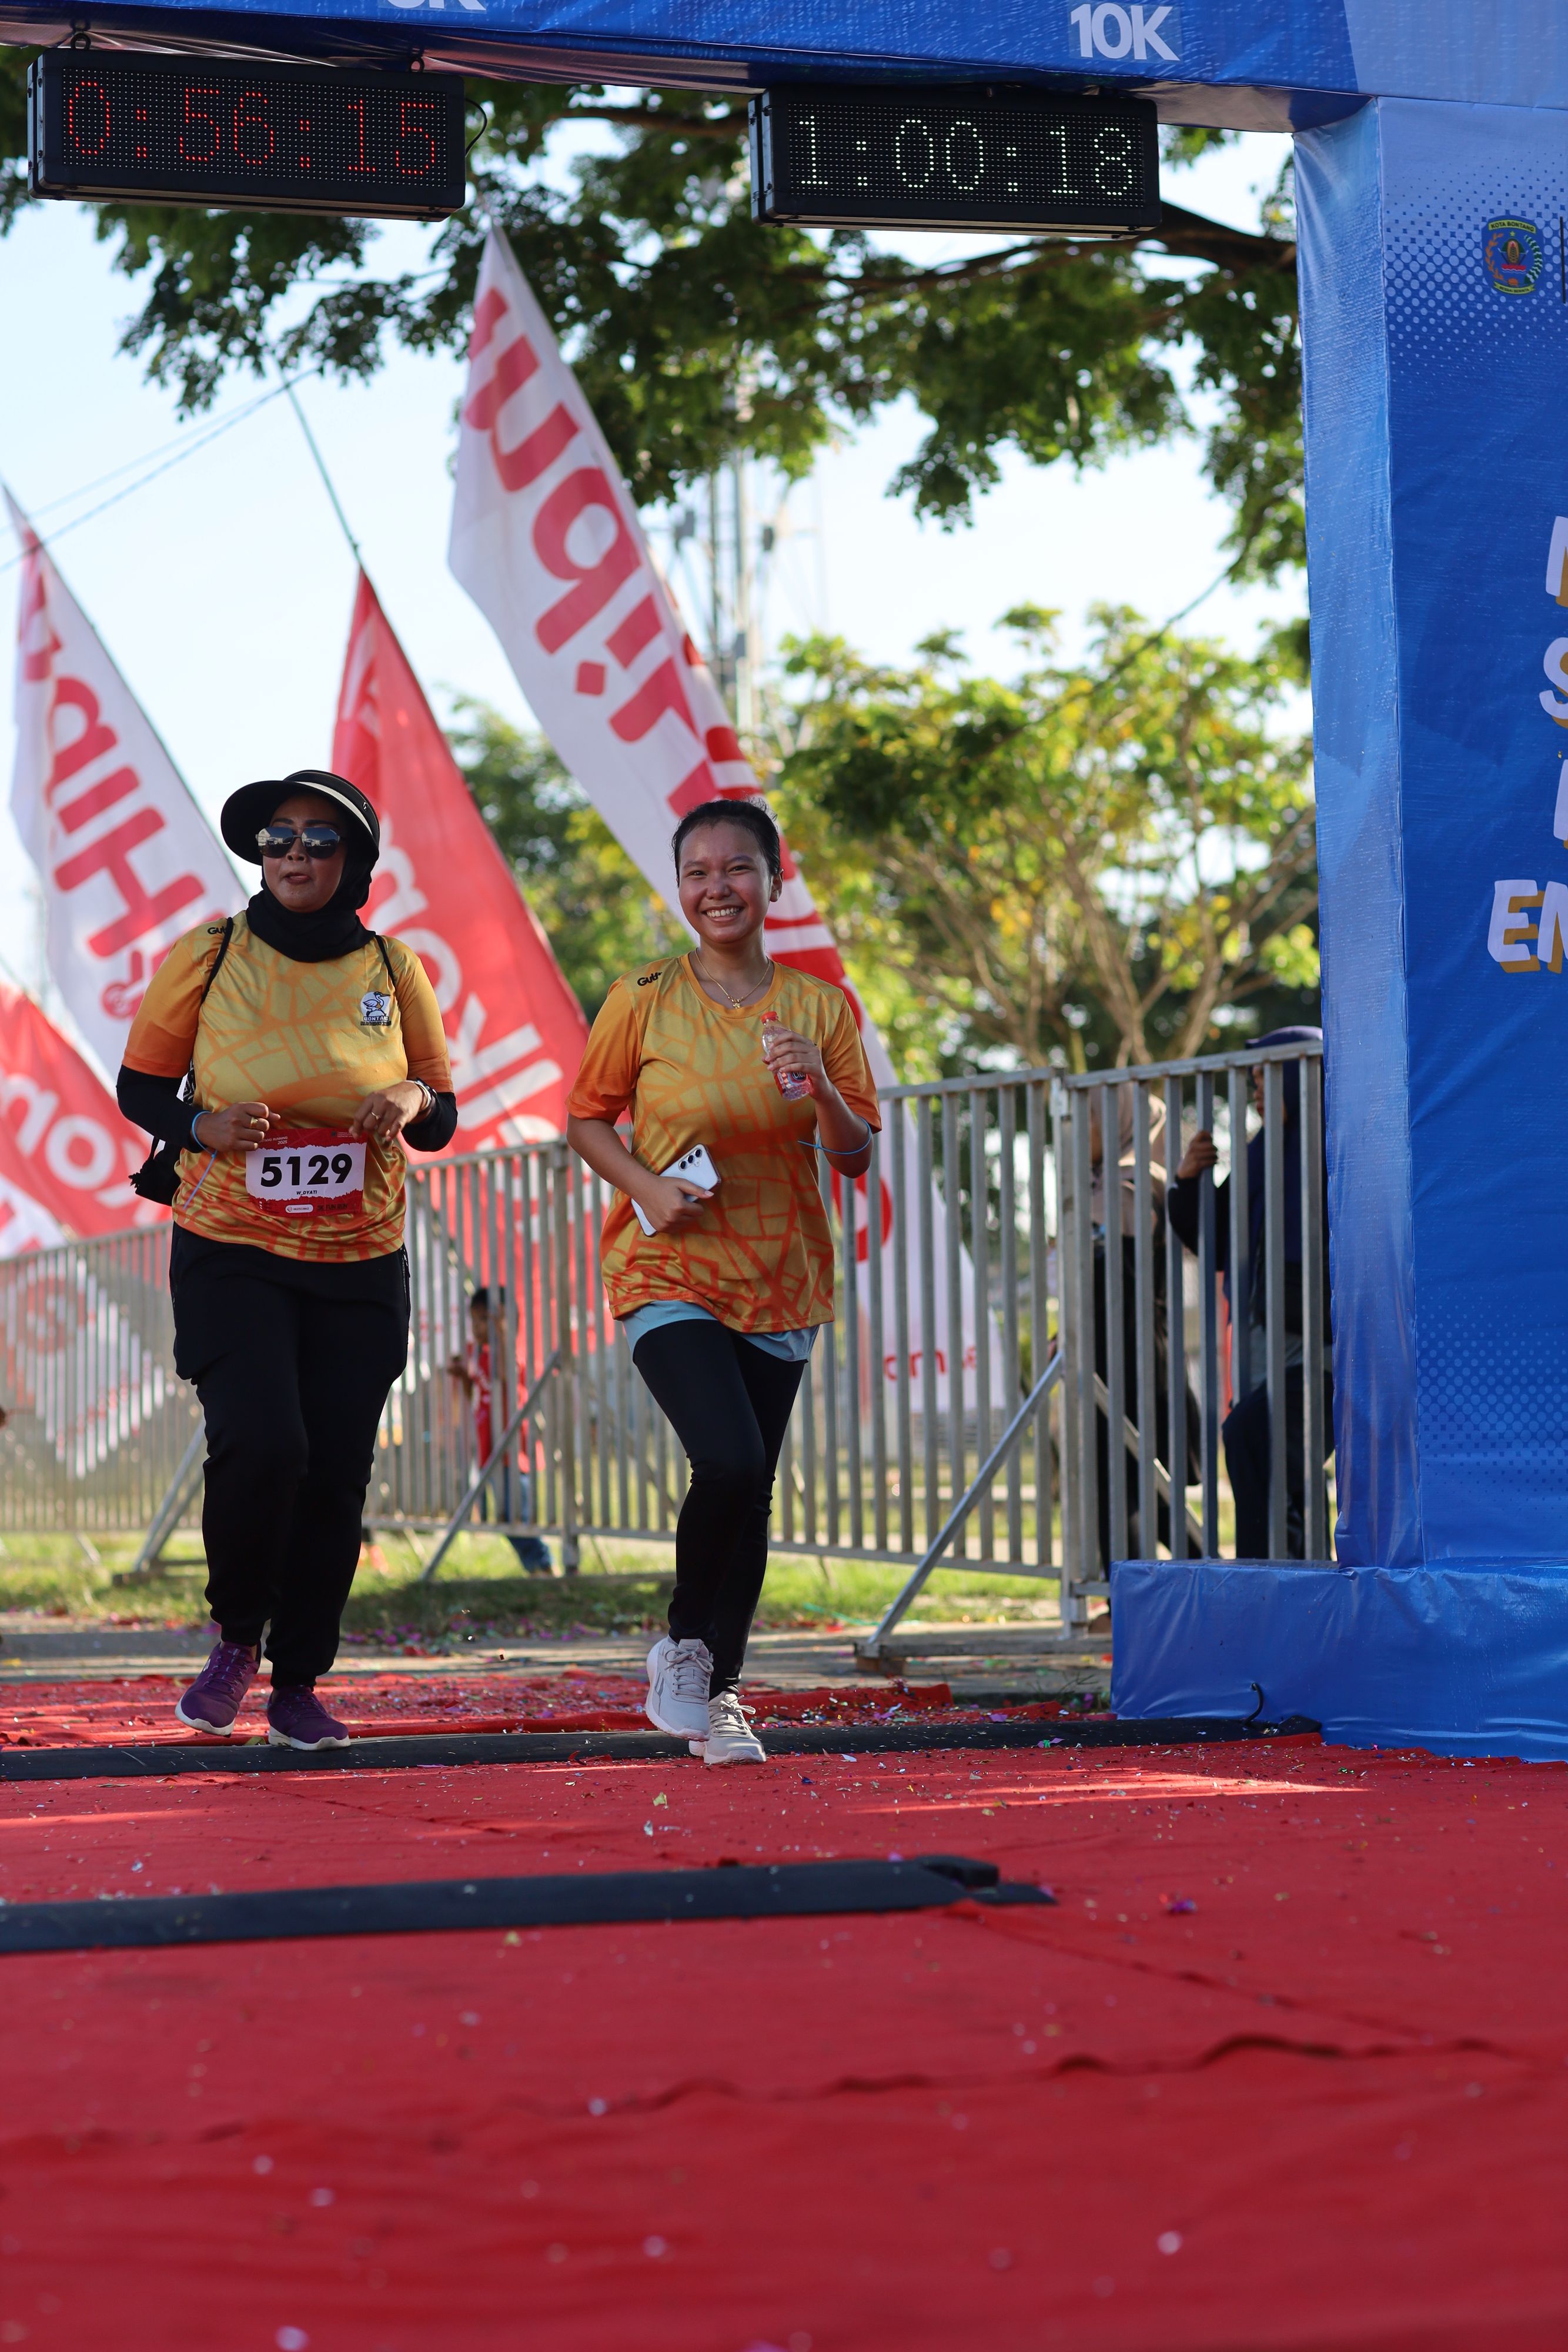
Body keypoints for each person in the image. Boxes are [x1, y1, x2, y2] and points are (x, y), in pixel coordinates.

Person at [116, 771, 457, 1748]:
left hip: (360, 1254)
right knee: (266, 1443)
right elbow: (139, 1087)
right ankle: (236, 1639)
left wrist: (410, 1099)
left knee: (336, 1470)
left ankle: (299, 1680)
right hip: (232, 1245)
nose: (294, 855)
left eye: (318, 839)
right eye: (277, 838)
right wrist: (202, 1126)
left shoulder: (394, 967)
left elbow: (440, 1112)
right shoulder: (210, 953)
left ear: (354, 860)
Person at [565, 797, 878, 1766]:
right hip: (666, 1266)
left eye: (736, 868)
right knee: (731, 1462)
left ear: (773, 881)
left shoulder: (820, 1008)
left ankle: (721, 1693)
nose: (717, 888)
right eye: (697, 873)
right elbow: (585, 1119)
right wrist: (644, 1187)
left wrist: (819, 1089)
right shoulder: (641, 997)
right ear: (679, 889)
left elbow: (855, 1156)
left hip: (781, 1275)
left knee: (752, 1492)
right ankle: (685, 1650)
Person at [1165, 1027, 1332, 1559]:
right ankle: (1292, 1581)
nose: (1256, 1090)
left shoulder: (1340, 1143)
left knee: (1253, 1439)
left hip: (1321, 1344)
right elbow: (1218, 1241)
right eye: (1254, 1079)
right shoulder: (1263, 1150)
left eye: (1266, 1077)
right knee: (1278, 1464)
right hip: (1261, 1340)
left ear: (1300, 1079)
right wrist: (1189, 1182)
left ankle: (1273, 1580)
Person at [1083, 1087, 1198, 1570]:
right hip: (1115, 1345)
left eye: (1089, 1119)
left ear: (1119, 1123)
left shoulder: (1129, 1188)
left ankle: (1136, 1591)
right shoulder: (1103, 1185)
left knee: (1129, 1482)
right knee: (1132, 1482)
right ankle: (1175, 1581)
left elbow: (1112, 1278)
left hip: (1130, 1349)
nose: (1078, 1131)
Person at [446, 1285, 553, 1572]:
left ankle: (542, 1564)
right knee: (506, 1517)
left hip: (512, 1451)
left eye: (485, 1319)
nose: (478, 1327)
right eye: (474, 1319)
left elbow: (506, 1376)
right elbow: (476, 1396)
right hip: (490, 1448)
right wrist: (464, 1377)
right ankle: (538, 1566)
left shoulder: (509, 1356)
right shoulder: (478, 1356)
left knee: (516, 1516)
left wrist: (503, 1334)